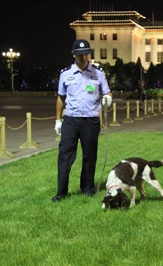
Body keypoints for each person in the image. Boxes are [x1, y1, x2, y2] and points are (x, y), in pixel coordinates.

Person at [52, 39, 112, 202]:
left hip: (91, 121)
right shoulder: (66, 73)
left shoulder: (98, 73)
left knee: (89, 156)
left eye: (86, 54)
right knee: (65, 154)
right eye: (80, 55)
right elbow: (60, 97)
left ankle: (87, 187)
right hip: (71, 120)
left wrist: (107, 99)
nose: (84, 57)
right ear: (73, 55)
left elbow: (107, 92)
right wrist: (58, 120)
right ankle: (61, 192)